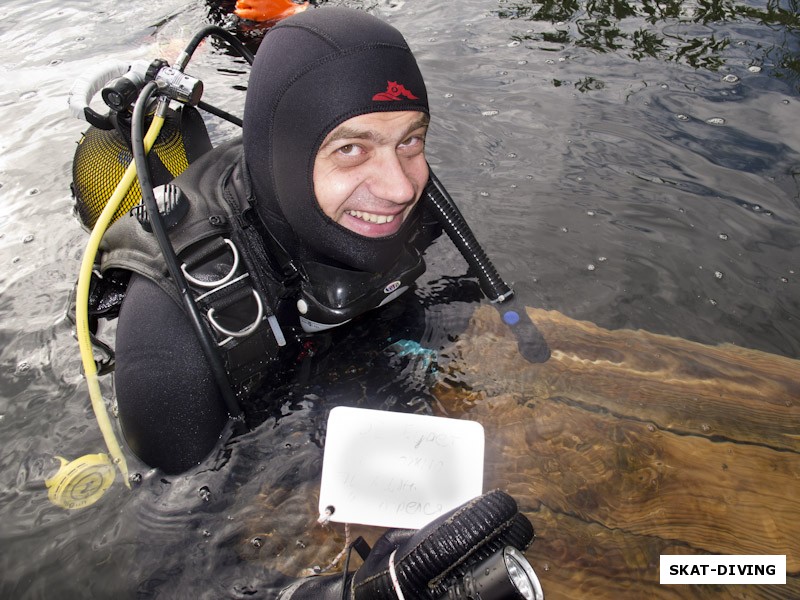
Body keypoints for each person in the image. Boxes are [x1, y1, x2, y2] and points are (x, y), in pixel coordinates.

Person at [78, 7, 547, 598]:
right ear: (288, 154)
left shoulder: (393, 199)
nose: (401, 186)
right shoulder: (171, 333)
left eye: (412, 140)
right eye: (352, 147)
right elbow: (169, 563)